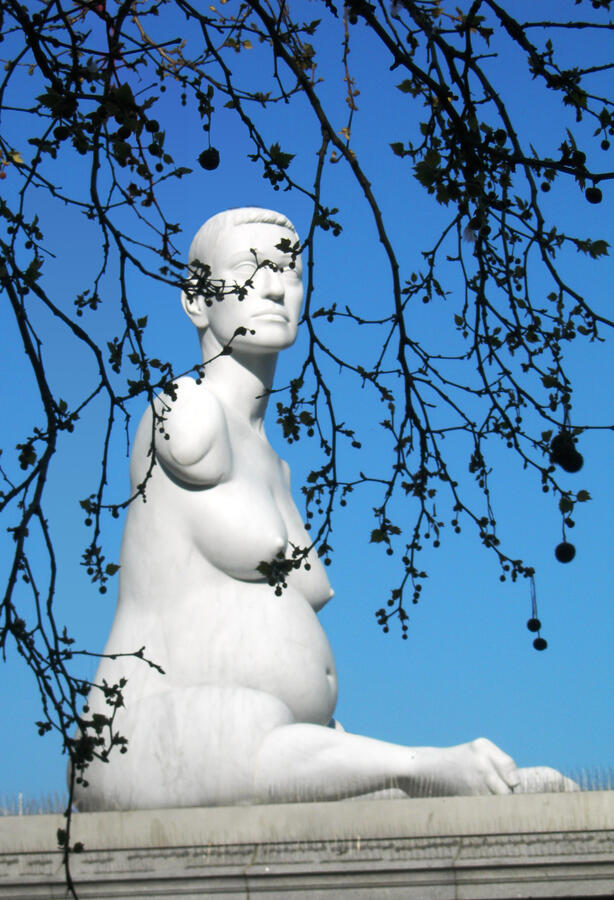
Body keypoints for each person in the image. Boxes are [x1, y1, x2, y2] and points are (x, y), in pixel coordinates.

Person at [74, 208, 575, 810]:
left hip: (282, 744)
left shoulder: (273, 463)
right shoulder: (186, 410)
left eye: (290, 270)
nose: (275, 287)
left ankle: (444, 781)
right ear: (198, 301)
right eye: (251, 268)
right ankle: (422, 767)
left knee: (371, 787)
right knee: (263, 731)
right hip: (148, 740)